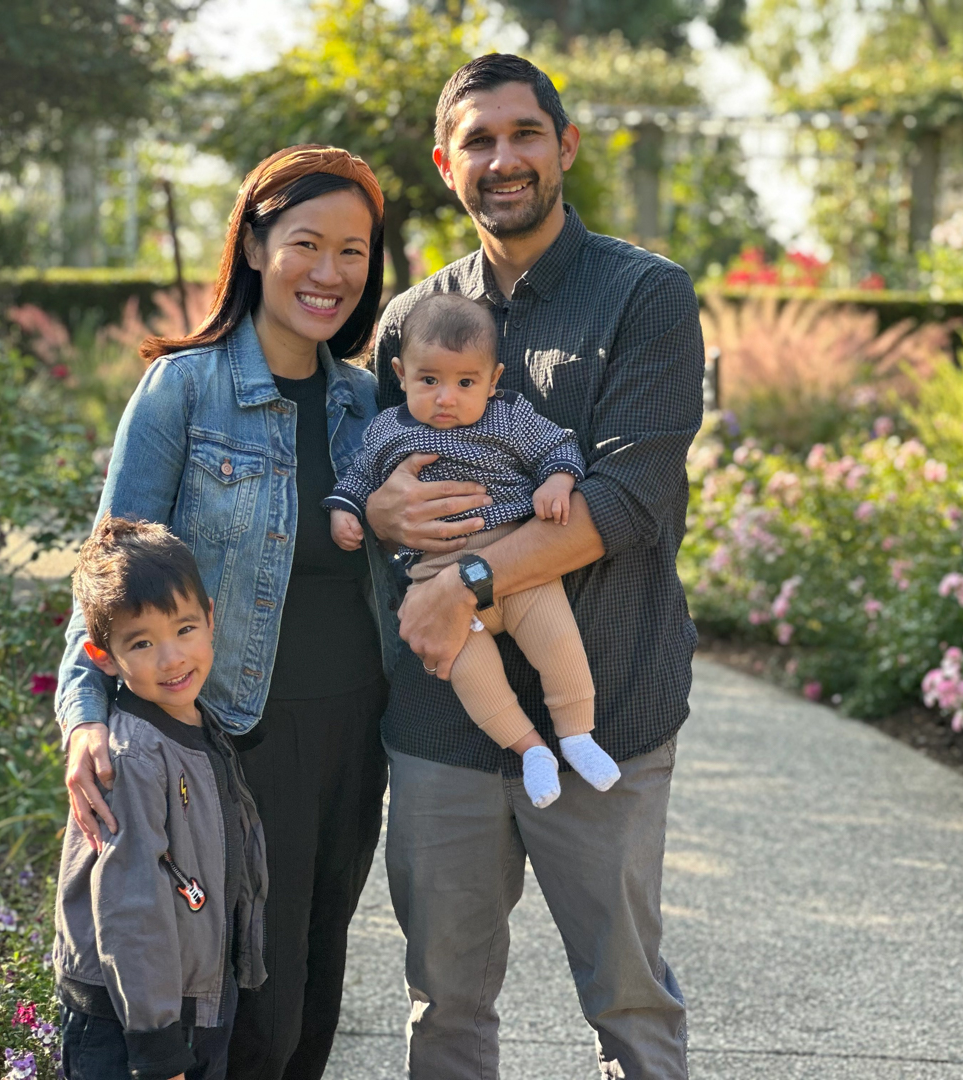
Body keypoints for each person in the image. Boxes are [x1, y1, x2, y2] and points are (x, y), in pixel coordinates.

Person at [366, 54, 704, 1079]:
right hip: (442, 731)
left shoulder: (644, 297)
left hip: (607, 709)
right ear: (445, 163)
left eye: (524, 134)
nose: (502, 159)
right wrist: (378, 507)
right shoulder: (405, 324)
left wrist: (471, 581)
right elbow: (377, 481)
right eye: (479, 140)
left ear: (565, 145)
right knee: (446, 1006)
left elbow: (627, 501)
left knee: (630, 1004)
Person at [54, 145, 402, 1080]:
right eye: (306, 244)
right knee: (252, 1006)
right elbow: (108, 564)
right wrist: (84, 716)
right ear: (253, 245)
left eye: (354, 253)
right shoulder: (186, 389)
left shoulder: (369, 405)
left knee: (318, 974)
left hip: (355, 732)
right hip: (233, 738)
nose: (329, 273)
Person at [328, 292, 622, 808]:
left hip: (518, 562)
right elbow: (358, 480)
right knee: (468, 670)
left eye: (466, 383)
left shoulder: (507, 417)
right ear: (400, 373)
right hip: (435, 576)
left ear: (493, 379)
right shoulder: (388, 430)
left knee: (559, 642)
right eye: (429, 380)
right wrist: (350, 512)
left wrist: (557, 481)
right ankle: (531, 748)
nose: (447, 397)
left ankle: (577, 734)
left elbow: (557, 447)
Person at [54, 515, 268, 1080]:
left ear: (211, 620)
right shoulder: (132, 756)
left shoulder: (201, 727)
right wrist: (156, 1046)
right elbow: (132, 907)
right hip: (130, 1025)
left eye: (184, 629)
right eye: (142, 642)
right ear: (102, 656)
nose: (172, 658)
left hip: (190, 1005)